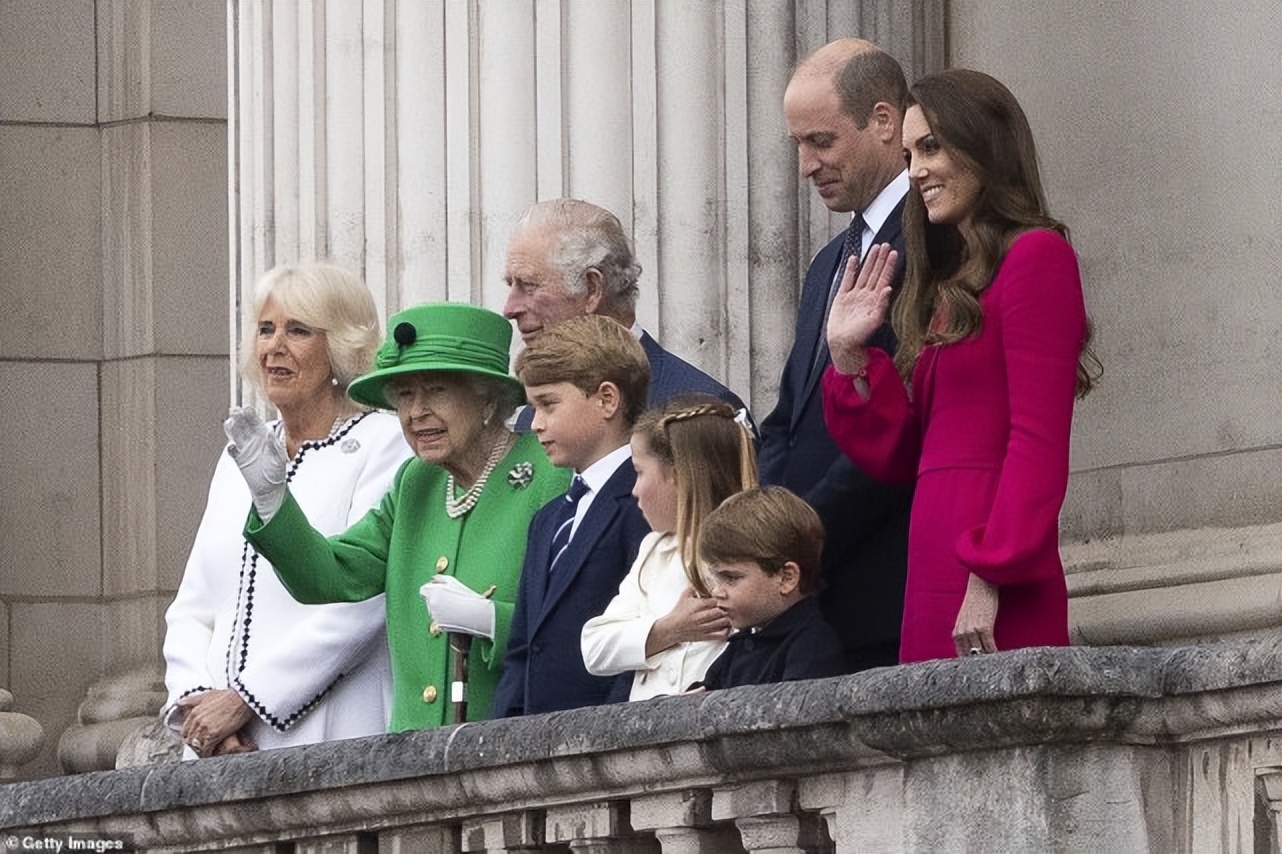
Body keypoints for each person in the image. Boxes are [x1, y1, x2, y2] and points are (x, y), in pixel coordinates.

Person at [823, 68, 1097, 662]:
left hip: (991, 570)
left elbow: (1037, 442)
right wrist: (848, 355)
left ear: (984, 146)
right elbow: (906, 453)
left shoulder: (1038, 257)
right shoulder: (953, 286)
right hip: (934, 562)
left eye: (931, 147)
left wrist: (990, 572)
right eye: (908, 153)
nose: (915, 169)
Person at [226, 302, 568, 730]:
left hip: (510, 750)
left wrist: (493, 621)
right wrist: (273, 499)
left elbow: (575, 625)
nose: (415, 412)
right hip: (414, 761)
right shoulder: (417, 482)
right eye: (405, 395)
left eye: (436, 391)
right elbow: (330, 574)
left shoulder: (550, 474)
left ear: (487, 397)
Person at [162, 262, 412, 757]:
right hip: (218, 744)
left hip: (332, 728)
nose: (274, 345)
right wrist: (198, 706)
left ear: (340, 346)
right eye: (265, 329)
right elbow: (193, 607)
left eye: (298, 330)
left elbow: (363, 602)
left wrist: (247, 701)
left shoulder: (384, 444)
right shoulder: (242, 454)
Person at [758, 38, 914, 672]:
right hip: (810, 599)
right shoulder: (829, 261)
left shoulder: (933, 239)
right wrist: (767, 530)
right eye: (799, 144)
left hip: (881, 583)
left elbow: (906, 417)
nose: (806, 165)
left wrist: (803, 540)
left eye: (821, 141)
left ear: (883, 122)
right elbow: (787, 419)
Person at [491, 315, 652, 716]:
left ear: (607, 400)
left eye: (548, 404)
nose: (537, 424)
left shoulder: (645, 500)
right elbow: (524, 650)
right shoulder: (547, 519)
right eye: (532, 407)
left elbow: (642, 631)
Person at [502, 198, 751, 424]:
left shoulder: (703, 413)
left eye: (529, 285)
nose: (510, 309)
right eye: (511, 285)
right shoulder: (529, 417)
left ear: (592, 289)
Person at [581, 396, 756, 700]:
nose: (633, 490)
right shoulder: (653, 550)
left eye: (639, 472)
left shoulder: (752, 545)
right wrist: (670, 629)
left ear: (679, 475)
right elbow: (594, 647)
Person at [692, 486, 843, 690]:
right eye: (716, 580)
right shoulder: (739, 646)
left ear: (786, 578)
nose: (717, 592)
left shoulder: (811, 646)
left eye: (731, 578)